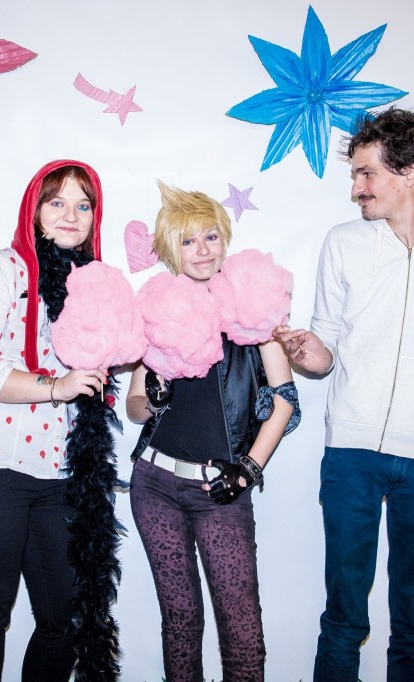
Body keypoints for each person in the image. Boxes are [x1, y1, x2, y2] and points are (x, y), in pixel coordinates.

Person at [274, 108, 414, 682]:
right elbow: (325, 349)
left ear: (411, 172)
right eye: (356, 175)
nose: (356, 188)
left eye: (366, 173)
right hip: (350, 455)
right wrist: (305, 351)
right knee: (343, 618)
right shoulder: (343, 243)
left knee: (413, 620)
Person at [0, 160, 111, 682]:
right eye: (57, 202)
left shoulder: (92, 289)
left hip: (57, 475)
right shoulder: (1, 269)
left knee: (67, 617)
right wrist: (56, 386)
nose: (71, 215)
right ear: (34, 210)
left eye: (83, 205)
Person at [126, 182, 300, 682]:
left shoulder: (252, 307)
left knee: (242, 631)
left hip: (221, 489)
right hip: (155, 485)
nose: (202, 250)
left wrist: (248, 469)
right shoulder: (156, 309)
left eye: (210, 236)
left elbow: (285, 399)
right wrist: (153, 397)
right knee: (180, 622)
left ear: (225, 239)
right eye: (187, 240)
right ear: (170, 249)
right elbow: (135, 406)